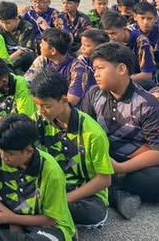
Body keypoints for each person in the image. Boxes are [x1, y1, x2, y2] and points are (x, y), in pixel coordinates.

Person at [79, 42, 159, 218]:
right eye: (94, 69)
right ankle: (117, 194)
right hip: (106, 154)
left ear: (121, 69)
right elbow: (82, 130)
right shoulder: (94, 93)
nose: (95, 74)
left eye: (100, 68)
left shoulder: (148, 105)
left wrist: (120, 167)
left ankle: (109, 188)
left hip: (136, 160)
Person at [0, 114, 77, 241]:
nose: (4, 157)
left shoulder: (51, 171)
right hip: (10, 210)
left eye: (10, 154)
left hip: (46, 225)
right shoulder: (1, 151)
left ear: (29, 151)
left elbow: (51, 219)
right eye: (2, 151)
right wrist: (8, 216)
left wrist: (7, 218)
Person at [29, 69, 113, 229]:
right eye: (38, 105)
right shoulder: (38, 120)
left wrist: (65, 199)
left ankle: (43, 214)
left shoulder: (93, 133)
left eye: (46, 106)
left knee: (93, 215)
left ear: (63, 100)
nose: (41, 111)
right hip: (50, 185)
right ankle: (46, 214)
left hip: (84, 194)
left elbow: (104, 179)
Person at [0, 1, 39, 75]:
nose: (4, 25)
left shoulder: (27, 27)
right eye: (1, 22)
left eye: (7, 23)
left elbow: (22, 51)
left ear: (16, 18)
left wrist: (4, 63)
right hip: (9, 58)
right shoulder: (2, 29)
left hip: (23, 59)